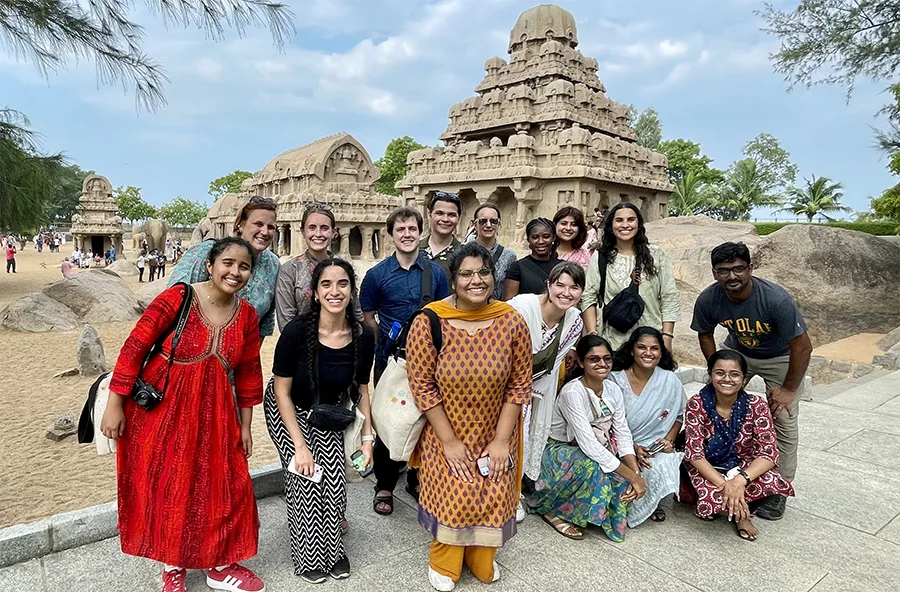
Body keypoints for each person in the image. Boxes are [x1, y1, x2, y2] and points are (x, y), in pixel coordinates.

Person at [99, 237, 266, 592]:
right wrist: (115, 404)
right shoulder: (179, 297)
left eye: (244, 266)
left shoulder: (247, 315)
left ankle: (219, 564)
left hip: (217, 410)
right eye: (228, 263)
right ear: (210, 265)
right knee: (169, 484)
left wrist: (246, 426)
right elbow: (135, 346)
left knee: (226, 484)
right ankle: (172, 566)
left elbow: (250, 373)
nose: (234, 272)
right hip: (164, 408)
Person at [406, 242, 531, 591]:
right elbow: (423, 386)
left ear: (493, 276)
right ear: (454, 279)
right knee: (455, 495)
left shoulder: (512, 322)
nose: (476, 281)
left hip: (497, 428)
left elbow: (519, 385)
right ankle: (445, 561)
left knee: (493, 493)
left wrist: (502, 440)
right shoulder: (430, 321)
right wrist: (449, 442)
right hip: (445, 430)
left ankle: (481, 558)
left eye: (483, 273)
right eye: (466, 274)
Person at [265, 258, 375, 583]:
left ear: (351, 290)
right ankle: (309, 556)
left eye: (342, 284)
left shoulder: (363, 336)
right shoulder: (298, 332)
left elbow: (363, 388)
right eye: (326, 284)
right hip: (287, 408)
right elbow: (282, 391)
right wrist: (299, 445)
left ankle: (334, 549)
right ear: (315, 292)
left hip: (327, 409)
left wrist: (368, 438)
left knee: (334, 482)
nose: (334, 291)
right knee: (307, 480)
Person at [690, 241, 811, 520]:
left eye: (738, 269)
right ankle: (727, 470)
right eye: (724, 271)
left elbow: (802, 347)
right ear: (714, 272)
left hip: (779, 356)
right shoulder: (709, 299)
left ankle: (778, 489)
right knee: (718, 407)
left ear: (750, 268)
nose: (732, 277)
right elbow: (705, 334)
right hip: (739, 352)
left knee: (783, 419)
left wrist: (788, 390)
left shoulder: (775, 299)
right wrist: (717, 372)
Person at [360, 206, 450, 515]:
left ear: (419, 232)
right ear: (391, 235)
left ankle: (415, 476)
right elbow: (368, 317)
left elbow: (445, 315)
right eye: (401, 230)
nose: (407, 235)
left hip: (429, 360)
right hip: (390, 359)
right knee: (387, 417)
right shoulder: (376, 275)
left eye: (412, 229)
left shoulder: (435, 274)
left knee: (424, 418)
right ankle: (384, 483)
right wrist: (383, 345)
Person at [526, 334, 646, 542]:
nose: (602, 364)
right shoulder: (573, 392)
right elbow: (588, 444)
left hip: (594, 447)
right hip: (558, 452)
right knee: (593, 467)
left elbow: (622, 433)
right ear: (581, 362)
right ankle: (553, 510)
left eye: (607, 359)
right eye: (594, 359)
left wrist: (635, 472)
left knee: (621, 474)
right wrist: (632, 477)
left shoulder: (613, 389)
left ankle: (595, 514)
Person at [681, 349, 795, 541]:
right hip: (710, 466)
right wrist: (726, 485)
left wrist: (739, 480)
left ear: (743, 379)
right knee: (710, 504)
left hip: (743, 466)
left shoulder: (756, 404)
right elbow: (695, 454)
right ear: (710, 375)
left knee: (772, 481)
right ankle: (743, 511)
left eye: (734, 374)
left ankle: (740, 506)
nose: (727, 379)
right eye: (720, 373)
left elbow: (769, 452)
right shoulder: (697, 403)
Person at [507, 261, 585, 522]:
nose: (566, 292)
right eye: (560, 285)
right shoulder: (521, 308)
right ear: (549, 286)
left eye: (574, 287)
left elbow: (553, 364)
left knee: (524, 439)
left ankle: (513, 494)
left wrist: (528, 394)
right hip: (500, 385)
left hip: (535, 388)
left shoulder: (574, 320)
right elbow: (500, 351)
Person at [169, 195, 280, 341]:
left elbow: (265, 322)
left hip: (239, 354)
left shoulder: (272, 265)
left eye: (270, 227)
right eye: (258, 224)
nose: (265, 232)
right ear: (240, 224)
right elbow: (173, 301)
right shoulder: (208, 252)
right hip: (193, 347)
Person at [609, 326, 685, 525]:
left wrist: (668, 440)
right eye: (642, 347)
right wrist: (631, 447)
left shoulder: (670, 380)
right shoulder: (615, 378)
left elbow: (678, 415)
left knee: (658, 464)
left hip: (652, 448)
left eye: (654, 348)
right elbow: (605, 420)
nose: (648, 353)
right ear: (632, 349)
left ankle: (652, 502)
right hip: (617, 444)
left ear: (661, 352)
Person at [581, 202, 680, 351]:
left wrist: (667, 336)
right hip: (613, 343)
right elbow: (589, 296)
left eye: (631, 220)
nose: (625, 225)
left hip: (651, 342)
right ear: (611, 225)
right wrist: (592, 335)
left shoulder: (657, 255)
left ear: (639, 223)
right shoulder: (601, 257)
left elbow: (669, 296)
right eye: (619, 220)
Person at [275, 203, 361, 329]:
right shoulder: (289, 270)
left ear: (334, 232)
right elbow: (286, 321)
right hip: (300, 342)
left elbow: (355, 310)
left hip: (342, 339)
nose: (318, 234)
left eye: (324, 228)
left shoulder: (344, 267)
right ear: (303, 231)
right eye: (312, 227)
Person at [467, 203, 517, 300]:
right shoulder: (463, 252)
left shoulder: (508, 255)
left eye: (494, 221)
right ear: (474, 225)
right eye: (482, 221)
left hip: (497, 309)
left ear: (499, 225)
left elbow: (509, 290)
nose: (489, 225)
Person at [503, 218, 562, 299]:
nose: (541, 241)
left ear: (553, 238)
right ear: (528, 240)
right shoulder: (517, 267)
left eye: (546, 236)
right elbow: (509, 303)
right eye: (535, 237)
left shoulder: (563, 267)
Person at [420, 192, 462, 278]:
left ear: (458, 218)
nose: (445, 219)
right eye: (439, 213)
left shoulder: (464, 253)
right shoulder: (414, 250)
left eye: (451, 215)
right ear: (429, 215)